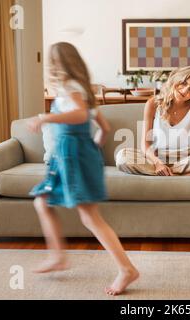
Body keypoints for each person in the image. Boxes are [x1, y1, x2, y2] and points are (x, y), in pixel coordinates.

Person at [26, 42, 139, 295]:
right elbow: (105, 128)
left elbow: (78, 115)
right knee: (42, 201)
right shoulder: (83, 89)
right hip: (71, 156)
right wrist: (94, 148)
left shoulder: (70, 88)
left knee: (89, 216)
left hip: (72, 157)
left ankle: (126, 269)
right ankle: (57, 256)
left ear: (57, 64)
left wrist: (46, 117)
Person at [116, 66, 190, 176]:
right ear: (176, 79)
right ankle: (180, 173)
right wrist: (158, 163)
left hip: (185, 160)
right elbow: (145, 145)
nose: (185, 90)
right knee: (122, 156)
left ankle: (168, 172)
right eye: (184, 82)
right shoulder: (153, 104)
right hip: (156, 160)